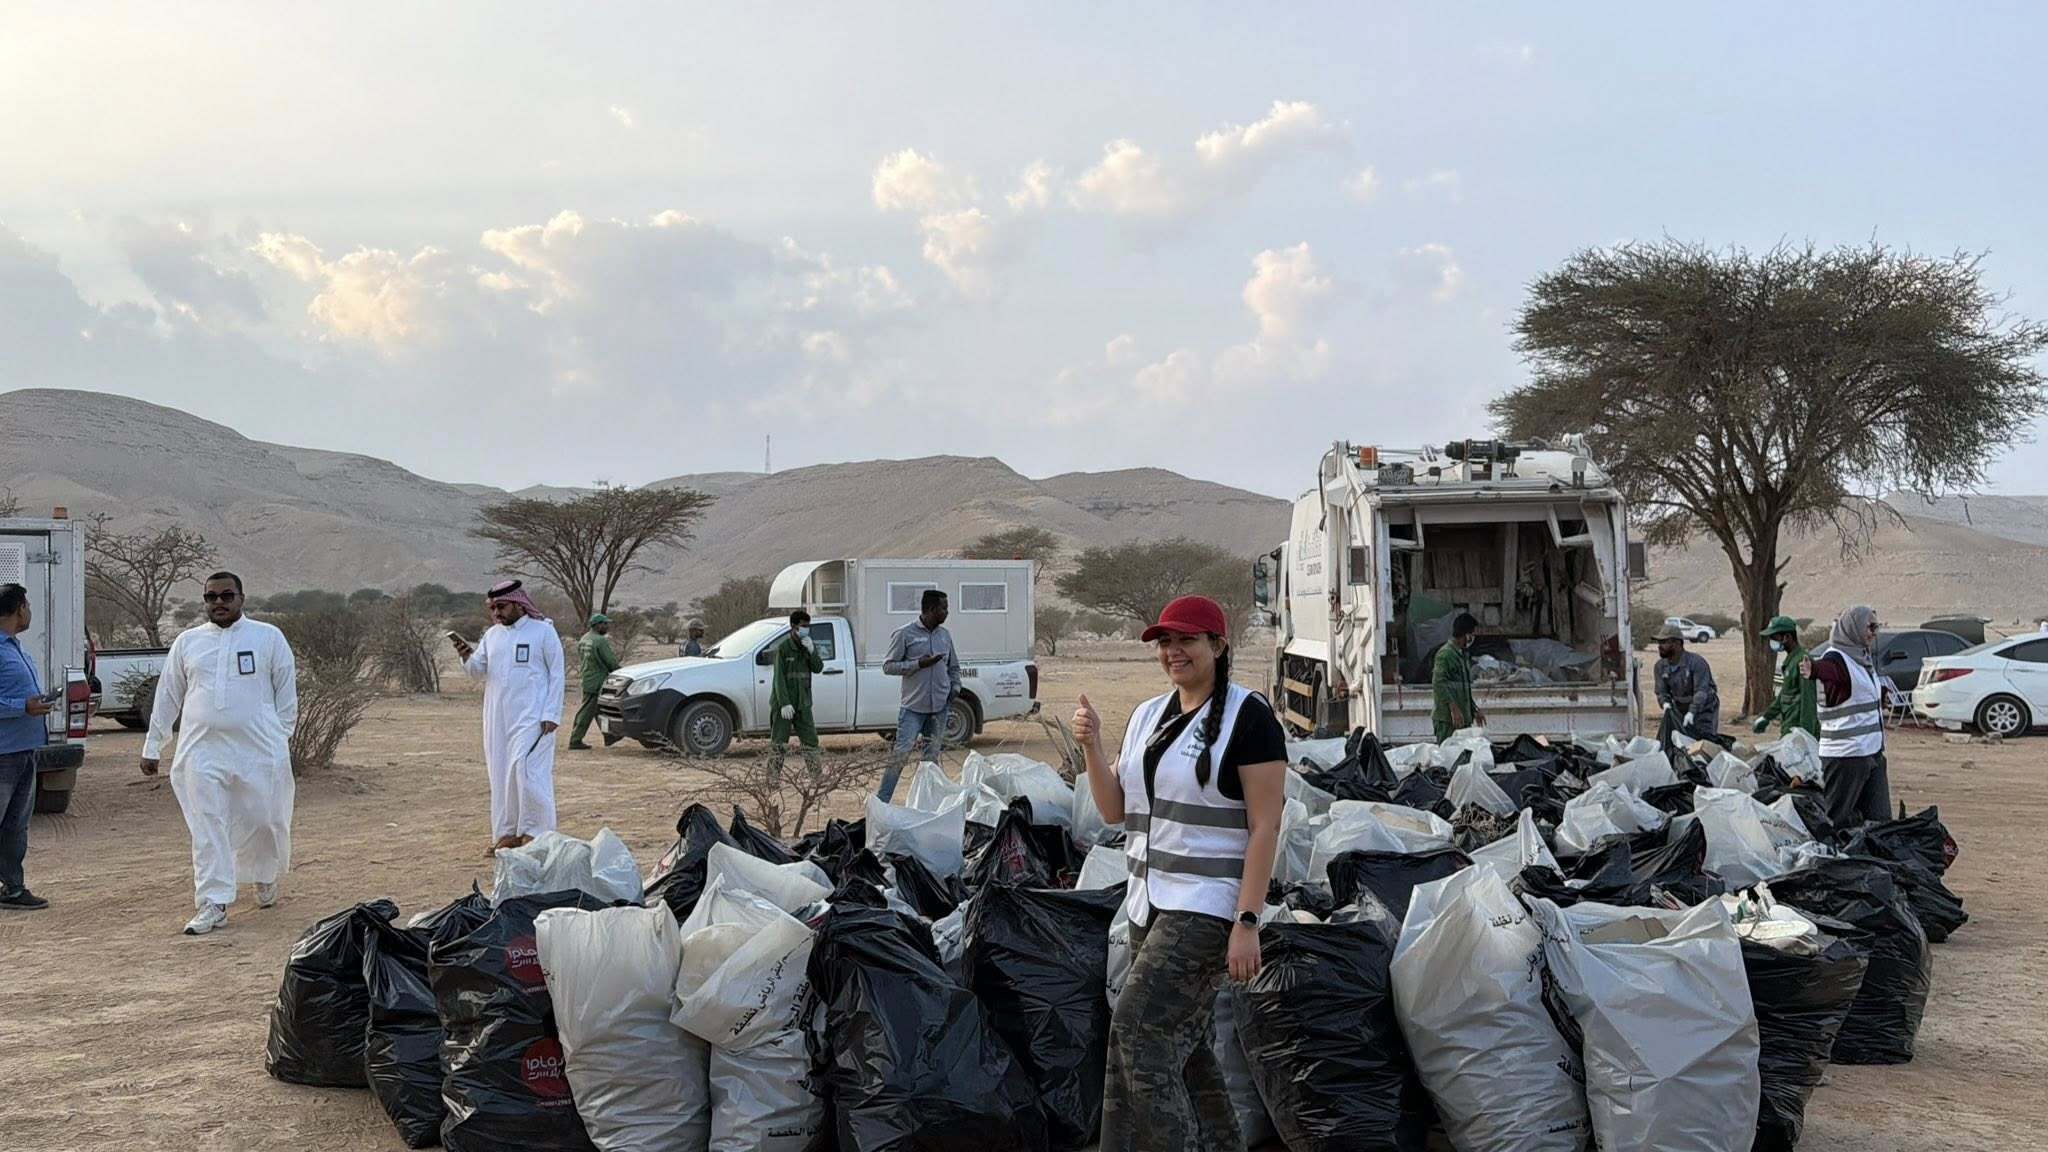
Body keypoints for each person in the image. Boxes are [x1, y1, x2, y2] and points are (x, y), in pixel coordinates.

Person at [1073, 594, 1287, 1152]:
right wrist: (1093, 747)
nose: (1174, 651)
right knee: (1186, 1053)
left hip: (1209, 905)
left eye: (1187, 639)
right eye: (1165, 641)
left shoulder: (1249, 717)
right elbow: (1114, 810)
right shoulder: (1148, 715)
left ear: (1218, 645)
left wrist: (1247, 920)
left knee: (1138, 1032)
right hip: (1148, 900)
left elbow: (1266, 826)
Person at [141, 572, 298, 936]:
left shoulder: (268, 637)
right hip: (202, 751)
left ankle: (263, 873)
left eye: (227, 596)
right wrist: (153, 746)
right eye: (211, 597)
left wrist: (279, 737)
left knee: (264, 819)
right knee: (208, 825)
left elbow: (287, 694)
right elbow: (168, 695)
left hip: (258, 750)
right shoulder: (188, 642)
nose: (219, 603)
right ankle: (213, 902)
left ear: (241, 598)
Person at [450, 579, 565, 855]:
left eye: (501, 606)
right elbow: (478, 671)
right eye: (492, 608)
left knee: (527, 771)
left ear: (518, 604)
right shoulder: (492, 635)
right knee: (501, 774)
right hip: (498, 719)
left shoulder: (543, 631)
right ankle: (507, 833)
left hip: (534, 717)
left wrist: (551, 713)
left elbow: (557, 674)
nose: (496, 613)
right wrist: (465, 656)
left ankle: (536, 833)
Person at [1801, 606, 1892, 827]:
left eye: (1876, 627)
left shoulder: (1862, 659)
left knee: (1879, 821)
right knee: (1838, 821)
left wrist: (1881, 696)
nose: (1873, 633)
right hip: (1846, 756)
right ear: (1853, 628)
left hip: (1871, 752)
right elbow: (1829, 671)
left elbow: (1857, 693)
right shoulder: (1836, 658)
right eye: (1870, 627)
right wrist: (1814, 670)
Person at [0, 583, 53, 911]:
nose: (29, 612)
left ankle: (13, 888)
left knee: (15, 826)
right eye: (28, 606)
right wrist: (23, 707)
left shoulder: (15, 648)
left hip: (24, 750)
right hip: (3, 753)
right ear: (20, 608)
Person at [878, 589, 959, 801]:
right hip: (913, 709)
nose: (947, 612)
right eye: (944, 608)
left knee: (931, 760)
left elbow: (953, 667)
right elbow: (888, 666)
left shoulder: (945, 635)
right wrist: (918, 664)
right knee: (900, 756)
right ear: (931, 609)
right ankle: (882, 802)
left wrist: (955, 687)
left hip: (939, 708)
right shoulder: (905, 634)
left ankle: (927, 804)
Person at [767, 609, 826, 782]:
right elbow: (779, 679)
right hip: (784, 705)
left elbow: (818, 668)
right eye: (803, 626)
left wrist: (812, 651)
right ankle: (772, 779)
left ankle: (817, 777)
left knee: (810, 742)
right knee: (779, 743)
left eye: (808, 626)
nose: (806, 629)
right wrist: (784, 703)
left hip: (803, 703)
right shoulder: (784, 648)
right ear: (793, 627)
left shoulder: (807, 646)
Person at [1751, 615, 1818, 739]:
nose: (1771, 641)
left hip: (1798, 729)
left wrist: (1806, 735)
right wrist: (1767, 716)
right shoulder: (1791, 661)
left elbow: (1808, 700)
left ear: (1787, 637)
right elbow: (1785, 694)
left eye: (1774, 637)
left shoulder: (1803, 661)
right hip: (1789, 724)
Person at [1653, 625, 1721, 745]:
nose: (1660, 646)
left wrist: (1692, 712)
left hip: (1704, 708)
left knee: (1704, 742)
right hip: (1680, 708)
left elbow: (1701, 691)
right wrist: (1665, 704)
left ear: (1677, 643)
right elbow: (1661, 691)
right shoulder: (1660, 666)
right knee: (1679, 743)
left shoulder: (1696, 663)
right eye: (1659, 642)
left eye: (1664, 642)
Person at [569, 613, 620, 750]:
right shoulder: (600, 640)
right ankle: (575, 739)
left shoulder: (584, 638)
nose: (607, 626)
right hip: (597, 680)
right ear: (598, 625)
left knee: (599, 710)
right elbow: (610, 661)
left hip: (587, 677)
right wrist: (621, 672)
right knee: (587, 711)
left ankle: (610, 736)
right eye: (605, 624)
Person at [1431, 611, 1483, 741]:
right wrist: (1453, 708)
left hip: (1462, 720)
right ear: (1465, 634)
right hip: (1448, 721)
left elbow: (1463, 690)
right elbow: (1439, 683)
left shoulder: (1461, 656)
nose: (1472, 638)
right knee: (1448, 752)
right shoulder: (1445, 655)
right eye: (1472, 634)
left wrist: (1474, 709)